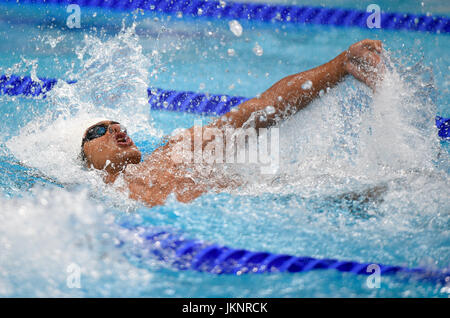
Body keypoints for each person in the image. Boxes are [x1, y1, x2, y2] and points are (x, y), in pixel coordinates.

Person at [80, 39, 383, 207]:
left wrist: (340, 65)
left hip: (293, 198)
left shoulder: (177, 151)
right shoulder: (95, 199)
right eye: (98, 131)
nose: (117, 129)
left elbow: (259, 110)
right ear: (85, 158)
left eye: (118, 124)